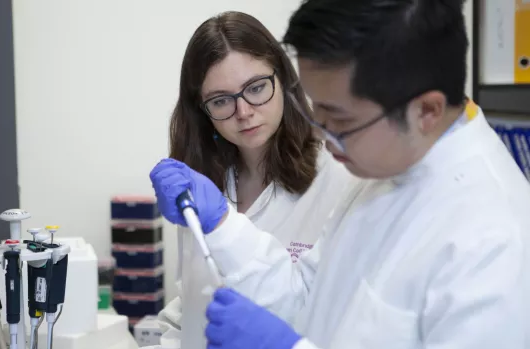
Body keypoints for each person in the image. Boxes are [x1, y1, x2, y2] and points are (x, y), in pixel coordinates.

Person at [149, 0, 530, 348]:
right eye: (318, 110)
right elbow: (307, 295)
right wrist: (222, 227)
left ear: (426, 111)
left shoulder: (494, 239)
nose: (320, 133)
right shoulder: (384, 173)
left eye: (341, 119)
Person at [149, 10, 362, 349]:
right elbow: (192, 303)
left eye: (256, 88)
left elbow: (317, 314)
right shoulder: (206, 186)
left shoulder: (340, 177)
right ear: (201, 110)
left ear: (283, 78)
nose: (244, 112)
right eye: (221, 101)